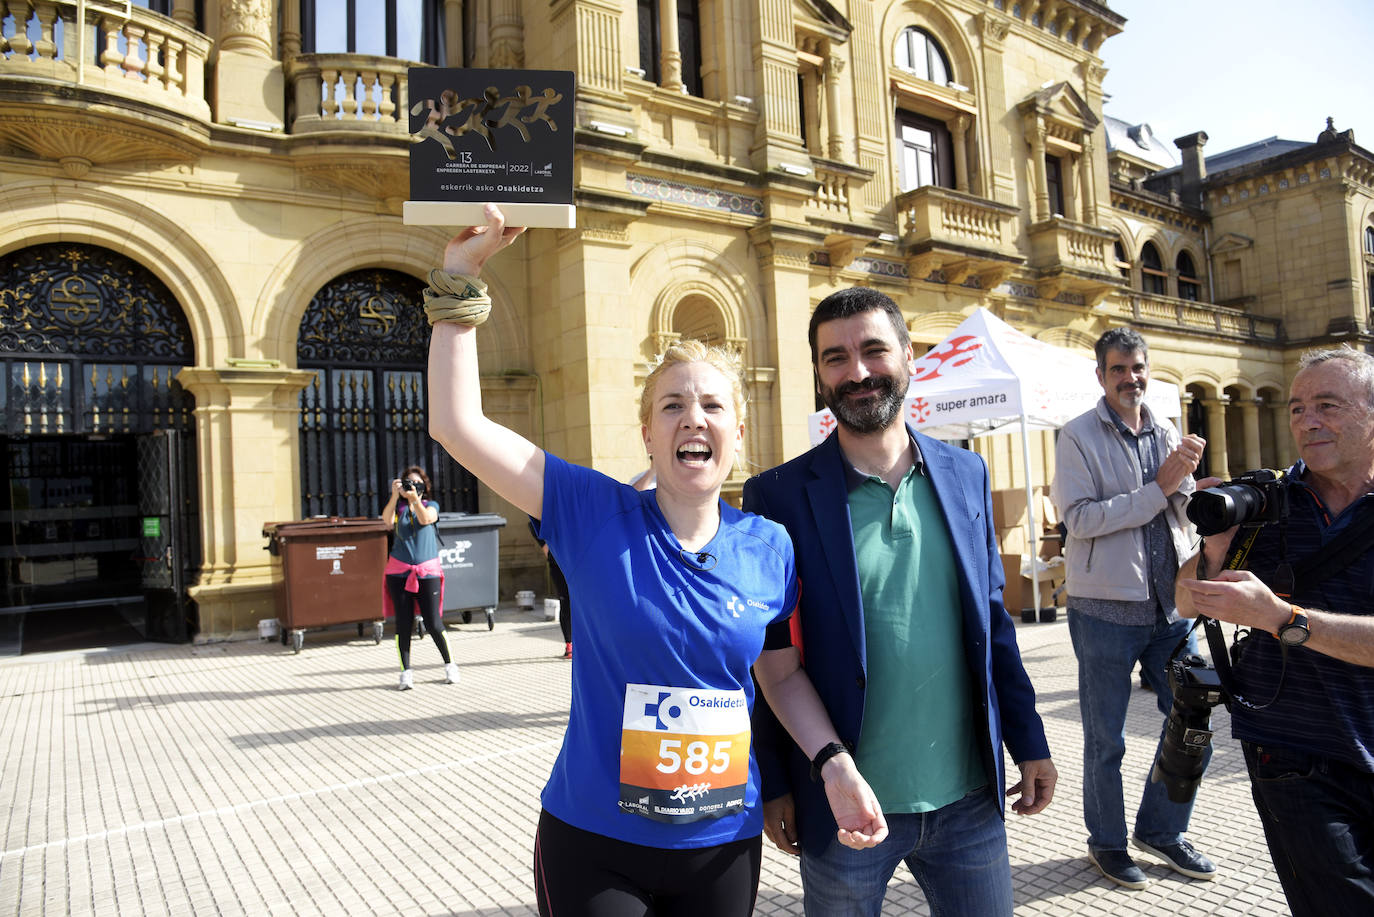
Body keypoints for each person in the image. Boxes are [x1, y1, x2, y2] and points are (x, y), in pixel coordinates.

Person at [426, 204, 887, 917]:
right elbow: (458, 425)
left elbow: (780, 672)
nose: (692, 417)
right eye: (672, 405)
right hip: (594, 846)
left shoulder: (769, 546)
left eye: (710, 404)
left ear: (738, 428)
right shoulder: (589, 511)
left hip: (723, 848)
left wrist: (834, 764)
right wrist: (460, 281)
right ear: (648, 432)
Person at [743, 286, 1056, 917]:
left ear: (909, 355)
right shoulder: (776, 496)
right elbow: (768, 657)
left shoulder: (966, 475)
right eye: (835, 358)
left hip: (968, 799)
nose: (856, 372)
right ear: (818, 374)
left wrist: (1029, 739)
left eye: (873, 350)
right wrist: (775, 782)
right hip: (845, 806)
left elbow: (993, 623)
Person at [1177, 346, 1374, 916]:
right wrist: (1215, 548)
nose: (1307, 420)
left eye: (1328, 405)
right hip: (1294, 757)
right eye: (1296, 408)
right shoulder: (1267, 504)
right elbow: (1186, 600)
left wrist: (1283, 620)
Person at [1050, 327, 1217, 889]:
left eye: (1138, 367)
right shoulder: (1075, 437)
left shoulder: (1165, 429)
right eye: (1119, 369)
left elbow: (1180, 509)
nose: (1131, 378)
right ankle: (1108, 842)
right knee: (1106, 739)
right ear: (1101, 376)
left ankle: (1162, 831)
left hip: (1173, 610)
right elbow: (1079, 519)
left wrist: (1198, 492)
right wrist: (1158, 487)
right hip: (1104, 613)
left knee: (1192, 722)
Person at [382, 465, 459, 690]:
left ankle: (450, 665)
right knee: (403, 624)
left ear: (424, 486)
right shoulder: (399, 510)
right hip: (399, 572)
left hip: (427, 572)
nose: (412, 486)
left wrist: (415, 499)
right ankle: (406, 672)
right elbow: (386, 522)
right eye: (409, 483)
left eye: (417, 483)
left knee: (433, 622)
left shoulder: (430, 506)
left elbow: (426, 520)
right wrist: (395, 496)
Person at [528, 519, 573, 658]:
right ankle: (569, 645)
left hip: (577, 559)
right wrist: (545, 546)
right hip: (557, 561)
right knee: (566, 601)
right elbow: (532, 523)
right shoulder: (552, 502)